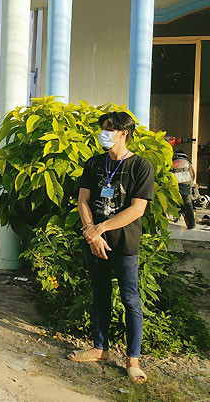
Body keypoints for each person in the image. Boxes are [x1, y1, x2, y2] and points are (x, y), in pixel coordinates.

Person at [70, 111, 153, 384]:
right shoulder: (94, 163)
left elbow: (137, 209)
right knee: (100, 294)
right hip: (96, 243)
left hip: (124, 244)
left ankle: (133, 359)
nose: (103, 133)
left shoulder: (141, 167)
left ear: (123, 133)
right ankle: (100, 348)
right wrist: (91, 234)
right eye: (103, 128)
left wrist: (101, 229)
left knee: (130, 300)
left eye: (108, 129)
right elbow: (83, 200)